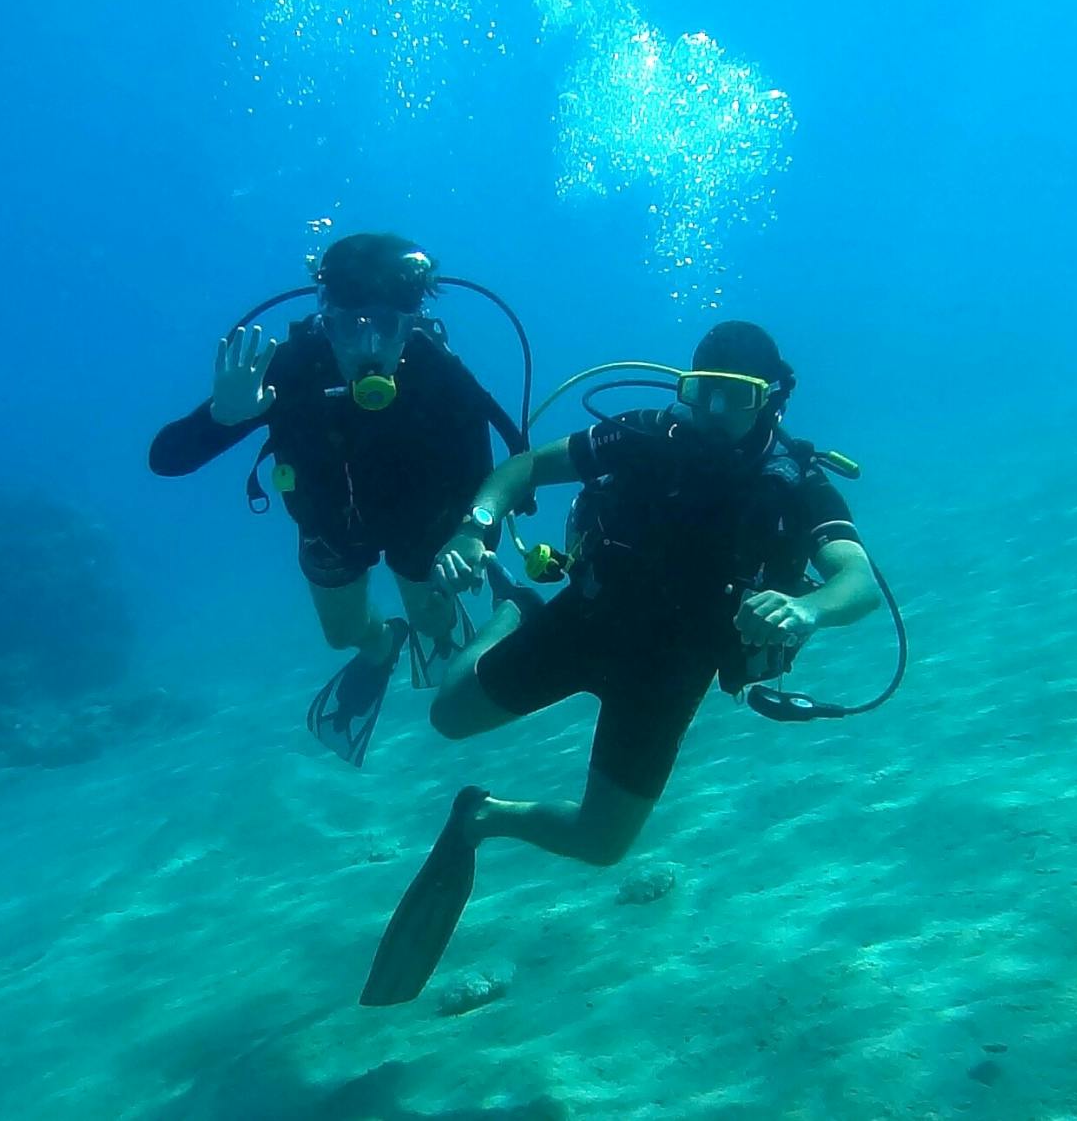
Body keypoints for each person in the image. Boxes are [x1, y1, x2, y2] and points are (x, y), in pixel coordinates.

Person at [359, 321, 885, 1005]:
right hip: (586, 620)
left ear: (773, 399)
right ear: (687, 389)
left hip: (669, 676)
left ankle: (481, 815)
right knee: (448, 715)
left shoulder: (794, 482)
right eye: (705, 393)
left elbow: (859, 580)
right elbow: (527, 466)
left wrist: (810, 609)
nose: (716, 413)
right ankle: (512, 611)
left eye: (739, 397)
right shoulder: (645, 435)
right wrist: (477, 521)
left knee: (602, 843)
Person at [148, 233, 522, 766]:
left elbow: (491, 466)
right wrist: (221, 418)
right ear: (326, 319)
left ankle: (427, 629)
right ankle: (381, 646)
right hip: (331, 523)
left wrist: (472, 533)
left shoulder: (439, 373)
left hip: (422, 522)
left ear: (411, 324)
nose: (367, 348)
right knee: (342, 634)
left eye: (388, 326)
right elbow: (166, 460)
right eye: (349, 325)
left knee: (433, 618)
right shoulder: (289, 369)